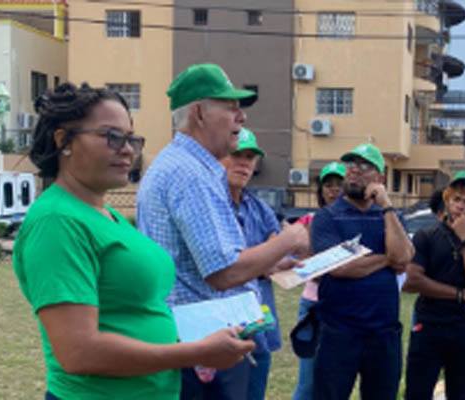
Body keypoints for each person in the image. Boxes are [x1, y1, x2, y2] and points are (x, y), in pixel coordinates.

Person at [13, 83, 254, 400]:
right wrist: (196, 352)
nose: (127, 149)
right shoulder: (57, 221)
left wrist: (195, 341)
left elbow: (134, 312)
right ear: (64, 141)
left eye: (131, 139)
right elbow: (79, 352)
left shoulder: (104, 214)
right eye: (112, 137)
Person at [137, 63, 309, 400]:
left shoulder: (183, 165)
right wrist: (290, 239)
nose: (241, 118)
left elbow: (200, 260)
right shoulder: (191, 174)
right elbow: (224, 272)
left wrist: (270, 262)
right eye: (231, 108)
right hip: (200, 346)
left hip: (193, 341)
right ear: (199, 113)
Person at [310, 143, 414, 400]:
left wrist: (386, 206)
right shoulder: (327, 217)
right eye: (351, 164)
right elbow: (340, 268)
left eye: (365, 166)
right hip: (338, 331)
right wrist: (387, 258)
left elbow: (403, 258)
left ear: (380, 178)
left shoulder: (390, 217)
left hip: (384, 332)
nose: (355, 170)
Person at [218, 128, 305, 400]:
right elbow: (226, 264)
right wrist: (266, 258)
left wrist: (273, 260)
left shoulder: (257, 207)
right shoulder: (211, 205)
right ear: (219, 157)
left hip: (258, 323)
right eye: (237, 155)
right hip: (221, 326)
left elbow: (282, 249)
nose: (244, 164)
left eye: (250, 157)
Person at [402, 171, 465, 400]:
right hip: (429, 324)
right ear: (447, 200)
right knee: (417, 393)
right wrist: (460, 294)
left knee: (459, 393)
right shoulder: (426, 236)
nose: (460, 206)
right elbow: (412, 281)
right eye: (456, 199)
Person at [291, 161, 346, 400]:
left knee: (336, 381)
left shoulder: (353, 220)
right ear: (320, 190)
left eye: (339, 185)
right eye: (328, 185)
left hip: (345, 307)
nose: (334, 190)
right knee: (308, 383)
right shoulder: (309, 220)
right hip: (314, 305)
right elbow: (289, 252)